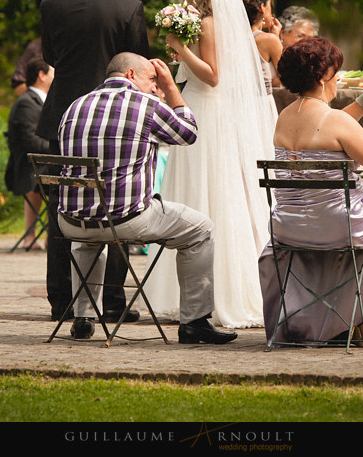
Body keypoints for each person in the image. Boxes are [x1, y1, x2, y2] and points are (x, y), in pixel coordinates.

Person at [57, 53, 236, 344]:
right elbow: (188, 134)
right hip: (129, 220)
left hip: (71, 221)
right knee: (201, 229)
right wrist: (172, 88)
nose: (154, 87)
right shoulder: (148, 105)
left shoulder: (75, 106)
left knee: (89, 235)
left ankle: (84, 317)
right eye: (152, 80)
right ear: (131, 74)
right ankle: (194, 322)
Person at [145, 0, 276, 329]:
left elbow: (214, 77)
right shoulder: (220, 25)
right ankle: (195, 292)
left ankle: (205, 294)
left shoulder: (207, 24)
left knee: (208, 192)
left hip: (207, 112)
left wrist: (179, 50)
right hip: (208, 111)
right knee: (207, 191)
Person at [259, 36, 363, 343]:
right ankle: (356, 318)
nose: (338, 76)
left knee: (342, 246)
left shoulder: (285, 117)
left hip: (288, 227)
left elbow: (331, 127)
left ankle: (340, 322)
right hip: (339, 226)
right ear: (324, 76)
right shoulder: (334, 120)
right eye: (336, 70)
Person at [35, 0, 150, 322]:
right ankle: (113, 301)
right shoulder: (129, 7)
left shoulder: (51, 6)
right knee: (120, 202)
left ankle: (62, 301)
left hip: (62, 117)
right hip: (116, 119)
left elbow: (51, 56)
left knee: (60, 206)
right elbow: (138, 64)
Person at [5, 55, 53, 251]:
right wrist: (58, 150)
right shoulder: (27, 102)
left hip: (40, 163)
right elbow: (31, 141)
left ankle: (53, 238)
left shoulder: (43, 100)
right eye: (53, 72)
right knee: (67, 177)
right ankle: (42, 237)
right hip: (27, 167)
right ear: (41, 75)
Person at [237, 0, 283, 93]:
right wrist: (276, 39)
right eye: (270, 5)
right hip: (262, 104)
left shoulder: (232, 37)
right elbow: (282, 80)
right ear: (262, 7)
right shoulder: (269, 40)